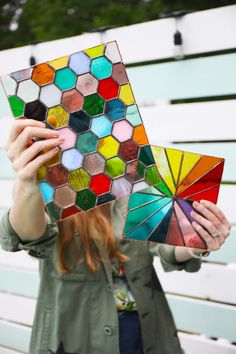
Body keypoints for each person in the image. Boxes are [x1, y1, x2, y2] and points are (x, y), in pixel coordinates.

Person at [0, 119, 231, 354]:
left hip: (145, 332)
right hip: (76, 335)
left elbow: (167, 246)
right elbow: (25, 234)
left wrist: (198, 240)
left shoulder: (136, 178)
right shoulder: (51, 187)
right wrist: (27, 183)